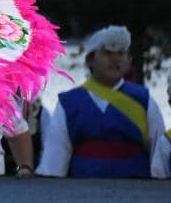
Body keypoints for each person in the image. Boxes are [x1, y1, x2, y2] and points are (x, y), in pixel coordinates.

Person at [38, 26, 169, 178]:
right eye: (107, 53)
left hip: (135, 195)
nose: (115, 59)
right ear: (90, 60)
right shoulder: (69, 104)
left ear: (129, 61)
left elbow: (158, 159)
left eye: (121, 53)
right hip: (81, 194)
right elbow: (55, 160)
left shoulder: (144, 100)